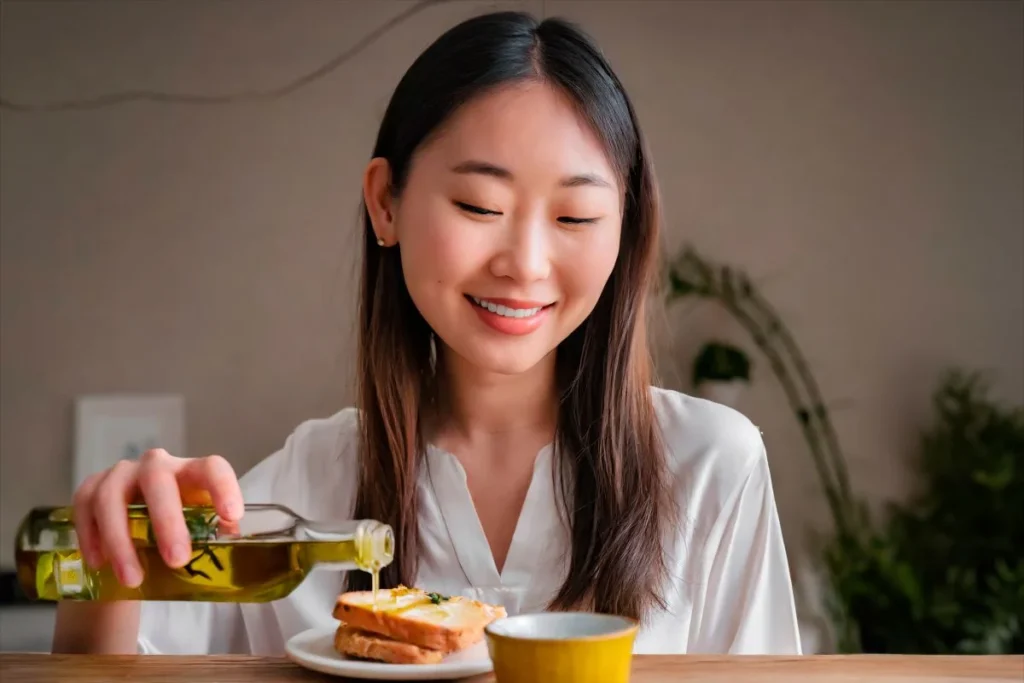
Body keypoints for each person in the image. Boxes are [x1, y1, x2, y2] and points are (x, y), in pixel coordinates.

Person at [52, 10, 801, 656]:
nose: (526, 264)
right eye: (479, 205)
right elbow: (127, 659)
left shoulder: (710, 467)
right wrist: (110, 567)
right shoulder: (310, 482)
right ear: (386, 203)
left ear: (626, 231)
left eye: (575, 217)